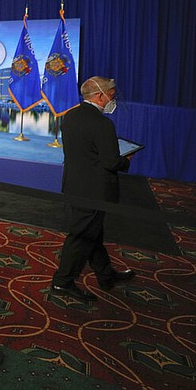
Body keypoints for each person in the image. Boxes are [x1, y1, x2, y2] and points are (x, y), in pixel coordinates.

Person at [51, 76, 135, 302]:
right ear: (100, 95)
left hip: (74, 185)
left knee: (93, 234)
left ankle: (106, 276)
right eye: (112, 95)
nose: (113, 99)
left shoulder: (71, 115)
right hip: (94, 191)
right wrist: (127, 160)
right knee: (80, 236)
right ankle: (62, 283)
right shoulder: (103, 123)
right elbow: (111, 162)